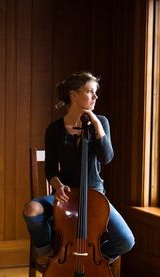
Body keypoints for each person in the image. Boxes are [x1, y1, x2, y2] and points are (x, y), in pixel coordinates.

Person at [23, 71, 135, 263]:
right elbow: (50, 169)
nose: (95, 97)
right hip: (66, 196)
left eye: (95, 92)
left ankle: (94, 264)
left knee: (126, 240)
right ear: (73, 95)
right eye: (90, 92)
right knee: (31, 209)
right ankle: (49, 252)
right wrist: (57, 186)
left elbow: (106, 158)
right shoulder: (55, 130)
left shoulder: (101, 123)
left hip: (94, 195)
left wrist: (98, 125)